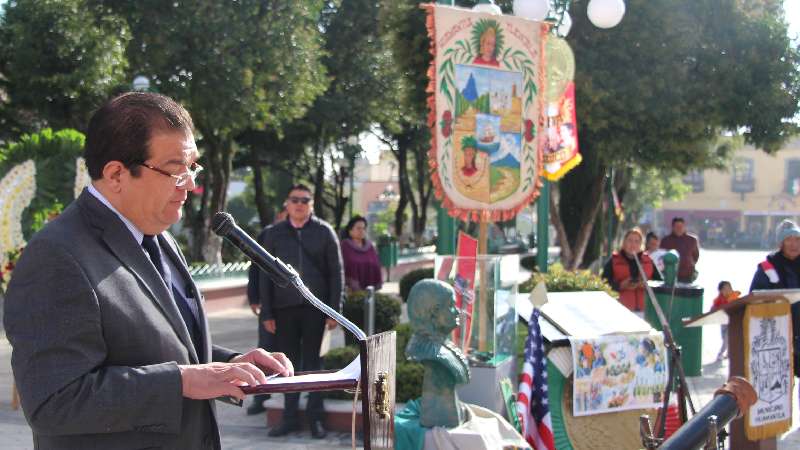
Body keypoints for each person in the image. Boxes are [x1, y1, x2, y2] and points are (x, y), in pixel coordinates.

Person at [3, 92, 293, 450]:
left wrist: (228, 364)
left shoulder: (159, 237)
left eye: (193, 167)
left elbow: (154, 343)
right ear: (116, 174)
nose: (190, 184)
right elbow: (54, 401)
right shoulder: (56, 257)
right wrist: (181, 381)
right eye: (175, 169)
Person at [256, 184, 343, 439]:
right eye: (294, 199)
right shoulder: (273, 234)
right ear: (287, 203)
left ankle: (316, 418)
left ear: (312, 204)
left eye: (305, 200)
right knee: (287, 366)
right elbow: (265, 275)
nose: (299, 204)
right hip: (284, 310)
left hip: (316, 309)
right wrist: (267, 313)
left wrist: (334, 311)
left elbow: (336, 274)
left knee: (315, 364)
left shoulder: (325, 232)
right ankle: (289, 417)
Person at [245, 207, 288, 416]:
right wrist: (254, 297)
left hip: (292, 306)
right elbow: (255, 267)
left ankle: (291, 399)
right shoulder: (268, 234)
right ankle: (261, 397)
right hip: (269, 304)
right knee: (266, 352)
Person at [749, 219, 800, 380]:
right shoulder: (768, 267)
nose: (794, 244)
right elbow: (754, 298)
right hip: (778, 336)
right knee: (781, 383)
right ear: (781, 243)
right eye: (788, 240)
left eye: (797, 239)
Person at [602, 228, 656, 312]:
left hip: (644, 311)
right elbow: (603, 284)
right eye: (629, 240)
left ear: (641, 245)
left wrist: (646, 284)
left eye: (636, 241)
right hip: (620, 310)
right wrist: (620, 285)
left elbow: (660, 283)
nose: (633, 244)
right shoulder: (613, 261)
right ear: (623, 242)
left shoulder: (648, 261)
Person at [340, 215, 382, 292]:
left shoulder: (370, 247)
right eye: (358, 228)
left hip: (370, 292)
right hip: (350, 292)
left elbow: (376, 264)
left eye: (364, 228)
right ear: (350, 230)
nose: (362, 231)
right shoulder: (345, 246)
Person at [659, 217, 700, 282]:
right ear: (672, 227)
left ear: (684, 227)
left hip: (687, 276)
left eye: (681, 226)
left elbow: (695, 256)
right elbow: (661, 258)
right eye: (677, 226)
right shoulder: (665, 241)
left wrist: (689, 264)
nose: (679, 229)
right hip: (670, 276)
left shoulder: (692, 240)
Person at [711, 281, 740, 362]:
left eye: (729, 288)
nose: (727, 290)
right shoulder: (719, 300)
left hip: (732, 321)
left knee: (726, 338)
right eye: (724, 289)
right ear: (720, 291)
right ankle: (729, 352)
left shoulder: (734, 297)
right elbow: (713, 308)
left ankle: (720, 354)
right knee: (724, 337)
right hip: (723, 321)